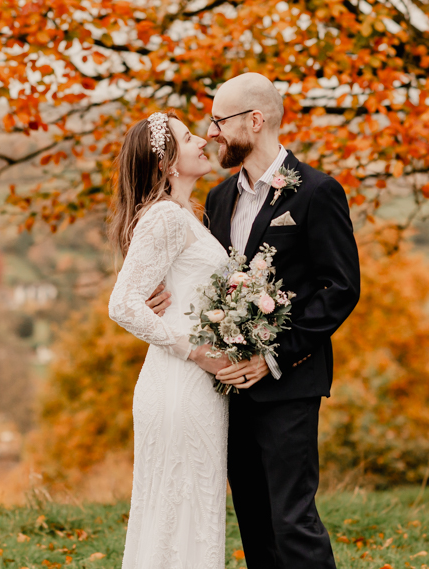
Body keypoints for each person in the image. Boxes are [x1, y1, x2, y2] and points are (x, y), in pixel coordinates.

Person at [146, 72, 361, 568]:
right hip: (227, 388)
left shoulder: (317, 192)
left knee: (291, 520)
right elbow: (209, 280)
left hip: (289, 383)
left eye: (219, 120)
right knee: (255, 522)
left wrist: (272, 356)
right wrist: (162, 296)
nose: (212, 132)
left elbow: (340, 289)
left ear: (255, 120)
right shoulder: (219, 199)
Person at [107, 110, 239, 569]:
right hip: (180, 383)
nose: (203, 140)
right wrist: (195, 350)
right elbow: (123, 304)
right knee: (179, 511)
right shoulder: (165, 216)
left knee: (192, 510)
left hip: (194, 384)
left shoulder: (186, 215)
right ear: (166, 163)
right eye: (188, 138)